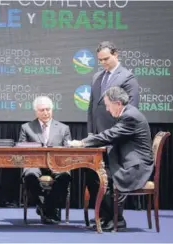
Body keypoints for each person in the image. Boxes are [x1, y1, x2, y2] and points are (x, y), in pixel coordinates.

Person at [69, 87, 154, 231]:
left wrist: (83, 143)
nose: (107, 110)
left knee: (100, 176)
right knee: (92, 173)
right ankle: (106, 216)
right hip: (127, 160)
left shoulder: (130, 116)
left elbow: (110, 135)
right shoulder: (127, 113)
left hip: (135, 167)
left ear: (118, 103)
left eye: (108, 105)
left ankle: (114, 220)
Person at [86, 41, 140, 220]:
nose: (103, 63)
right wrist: (90, 133)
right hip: (97, 138)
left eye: (106, 59)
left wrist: (114, 135)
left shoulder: (128, 78)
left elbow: (129, 112)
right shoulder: (96, 77)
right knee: (92, 176)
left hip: (116, 139)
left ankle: (115, 219)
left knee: (111, 179)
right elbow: (92, 107)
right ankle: (101, 217)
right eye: (100, 60)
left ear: (116, 54)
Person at [19, 96, 72, 224]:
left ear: (52, 110)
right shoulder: (26, 127)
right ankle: (43, 206)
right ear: (36, 111)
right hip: (34, 163)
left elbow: (68, 151)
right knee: (30, 175)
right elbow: (21, 149)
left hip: (57, 164)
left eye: (48, 109)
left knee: (64, 176)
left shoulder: (63, 128)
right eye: (42, 110)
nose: (45, 113)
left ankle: (47, 207)